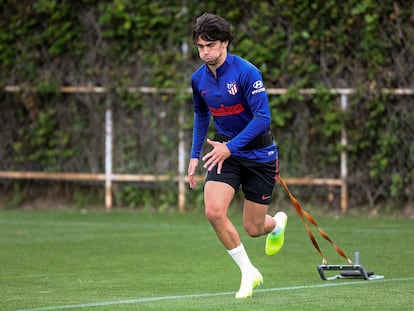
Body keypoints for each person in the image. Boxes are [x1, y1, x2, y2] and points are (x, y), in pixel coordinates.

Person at [187, 12, 288, 299]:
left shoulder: (246, 72)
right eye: (201, 47)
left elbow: (262, 118)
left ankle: (276, 223)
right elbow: (200, 113)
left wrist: (231, 146)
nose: (205, 52)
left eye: (211, 45)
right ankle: (248, 272)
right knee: (213, 211)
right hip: (224, 153)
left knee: (254, 228)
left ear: (225, 43)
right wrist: (195, 155)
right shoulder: (198, 79)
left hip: (259, 153)